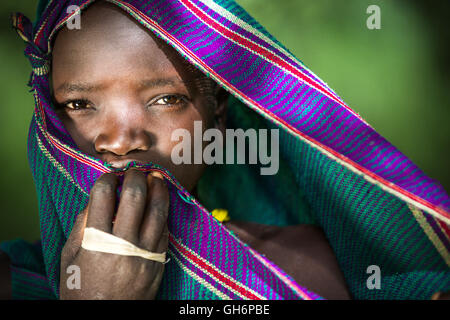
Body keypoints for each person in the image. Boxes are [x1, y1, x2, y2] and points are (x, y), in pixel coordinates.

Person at [0, 0, 448, 300]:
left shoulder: (307, 265)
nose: (120, 140)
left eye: (165, 99)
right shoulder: (18, 279)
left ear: (218, 114)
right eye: (79, 105)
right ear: (50, 119)